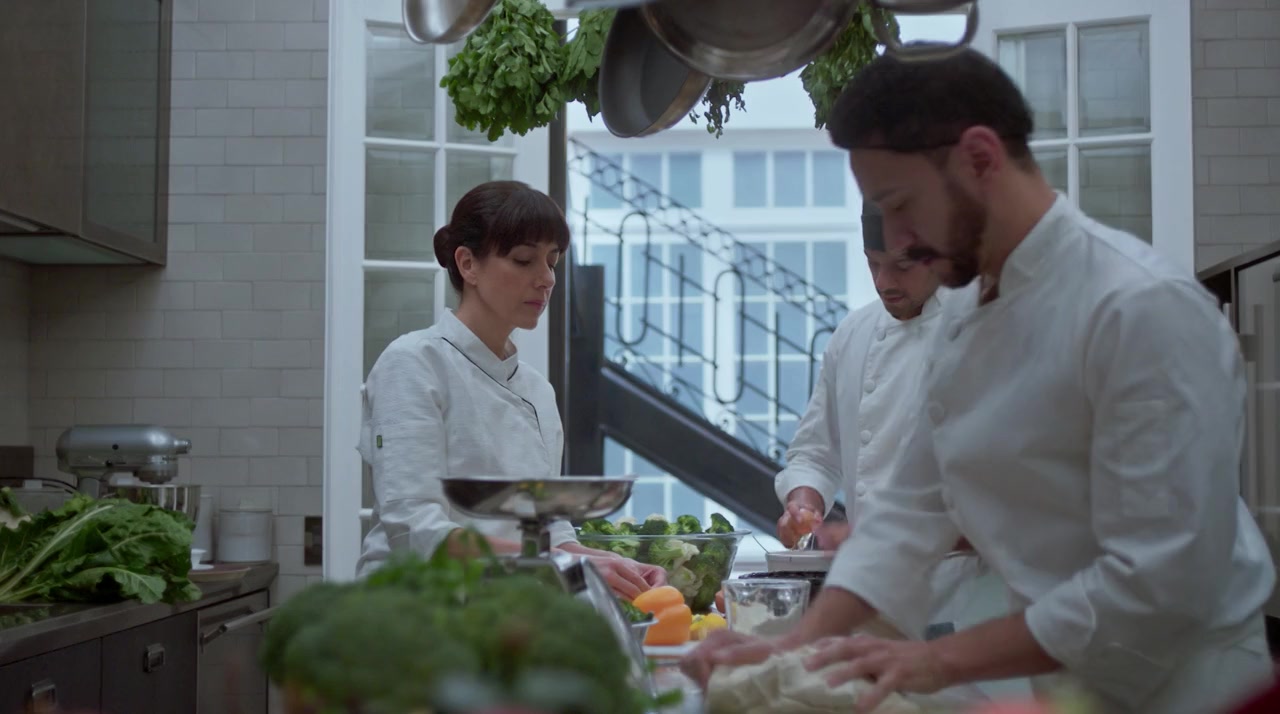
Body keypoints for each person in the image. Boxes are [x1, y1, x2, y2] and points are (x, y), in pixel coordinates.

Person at [683, 46, 1277, 714]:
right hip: (1074, 685)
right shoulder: (968, 313)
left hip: (1196, 689)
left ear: (981, 158)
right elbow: (909, 512)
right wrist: (793, 646)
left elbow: (1159, 583)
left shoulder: (1139, 309)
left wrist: (936, 661)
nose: (899, 239)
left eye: (902, 204)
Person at [356, 180, 667, 599]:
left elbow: (550, 530)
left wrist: (613, 564)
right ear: (468, 264)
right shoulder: (413, 363)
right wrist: (562, 562)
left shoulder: (537, 390)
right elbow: (417, 532)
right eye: (524, 260)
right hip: (412, 613)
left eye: (552, 261)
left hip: (505, 612)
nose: (546, 279)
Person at [775, 200, 1026, 702]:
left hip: (968, 602)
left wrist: (901, 535)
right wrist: (803, 504)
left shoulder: (984, 333)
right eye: (872, 263)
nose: (884, 282)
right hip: (875, 599)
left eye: (902, 266)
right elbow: (815, 453)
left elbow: (1013, 497)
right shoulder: (854, 333)